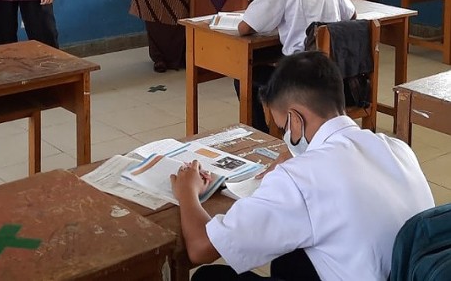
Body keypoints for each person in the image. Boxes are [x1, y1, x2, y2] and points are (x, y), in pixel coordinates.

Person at [171, 51, 434, 281]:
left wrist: (187, 191)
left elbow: (201, 248)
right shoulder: (396, 148)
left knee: (210, 277)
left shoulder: (301, 178)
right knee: (291, 258)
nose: (286, 135)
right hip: (408, 273)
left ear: (295, 120)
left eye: (284, 126)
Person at [236, 0, 356, 132]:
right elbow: (351, 16)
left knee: (242, 74)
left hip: (300, 77)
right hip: (334, 71)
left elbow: (244, 28)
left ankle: (261, 134)